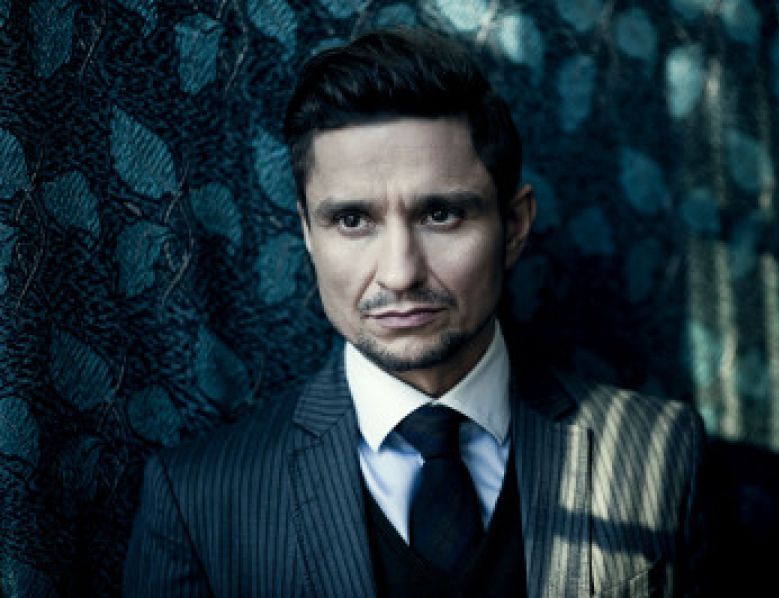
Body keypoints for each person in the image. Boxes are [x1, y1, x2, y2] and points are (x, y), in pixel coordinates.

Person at [124, 27, 707, 597]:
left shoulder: (660, 451)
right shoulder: (198, 500)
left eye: (440, 215)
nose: (401, 274)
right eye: (352, 220)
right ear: (307, 233)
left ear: (514, 226)